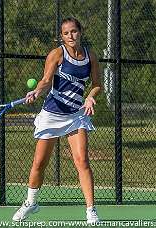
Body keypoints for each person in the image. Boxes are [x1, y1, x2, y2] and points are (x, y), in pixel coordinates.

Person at [12, 17, 102, 224]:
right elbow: (45, 80)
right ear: (61, 36)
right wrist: (36, 91)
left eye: (74, 31)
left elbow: (97, 84)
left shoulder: (91, 57)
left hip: (75, 115)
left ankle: (91, 210)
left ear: (80, 32)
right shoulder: (57, 54)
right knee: (39, 164)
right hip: (52, 114)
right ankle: (31, 203)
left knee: (82, 161)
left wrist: (90, 96)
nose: (71, 36)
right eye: (66, 33)